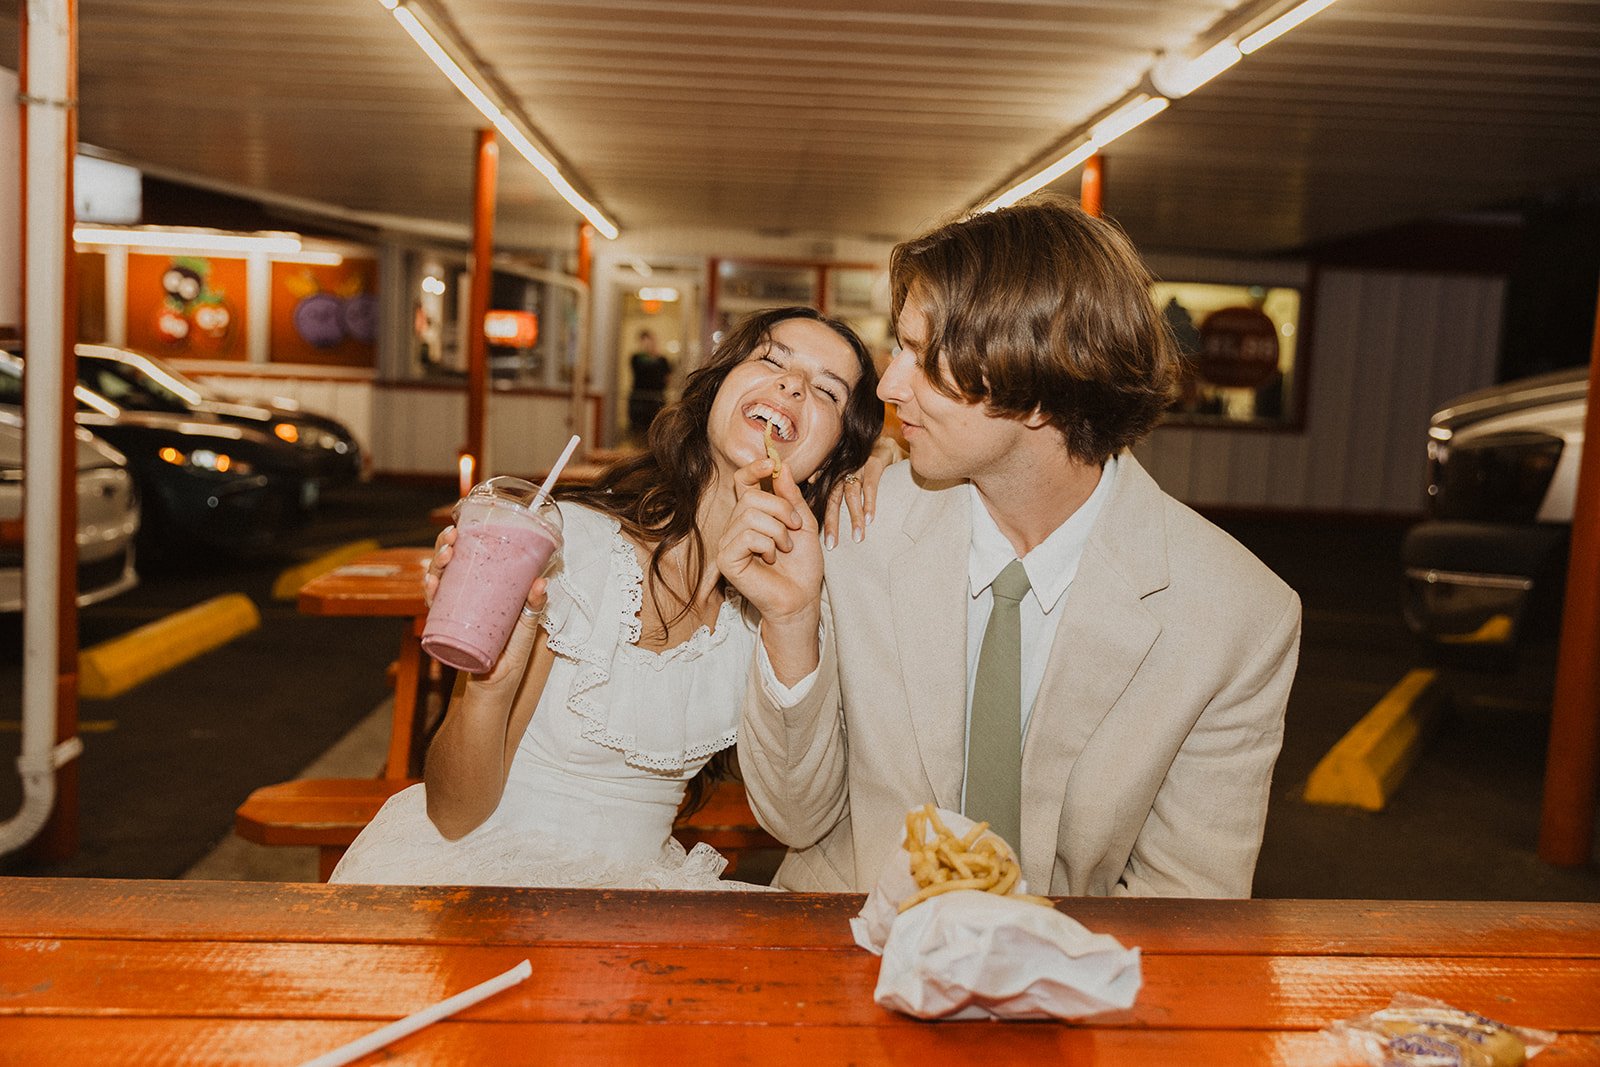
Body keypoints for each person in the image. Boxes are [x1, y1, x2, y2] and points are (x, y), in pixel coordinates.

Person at [721, 196, 1302, 898]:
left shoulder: (1239, 616)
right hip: (842, 949)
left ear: (1035, 383)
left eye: (921, 355)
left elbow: (1186, 907)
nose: (888, 383)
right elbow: (792, 818)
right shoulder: (854, 524)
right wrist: (791, 625)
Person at [331, 307, 883, 888]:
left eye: (827, 391)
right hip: (484, 870)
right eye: (771, 359)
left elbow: (801, 819)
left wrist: (880, 472)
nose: (793, 385)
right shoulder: (568, 544)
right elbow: (452, 814)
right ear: (716, 387)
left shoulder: (799, 589)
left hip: (645, 895)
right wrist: (488, 686)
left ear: (831, 460)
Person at [627, 329, 672, 440]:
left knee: (654, 430)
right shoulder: (636, 358)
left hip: (656, 398)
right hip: (639, 398)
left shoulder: (662, 359)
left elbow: (667, 377)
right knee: (637, 432)